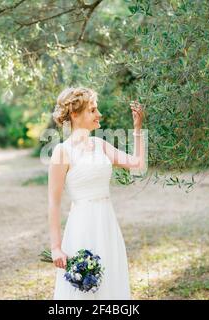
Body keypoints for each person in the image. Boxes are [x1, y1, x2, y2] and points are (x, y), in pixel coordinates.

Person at [48, 87, 145, 299]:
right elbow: (53, 203)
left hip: (107, 224)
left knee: (110, 285)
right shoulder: (62, 152)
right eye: (92, 110)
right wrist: (56, 247)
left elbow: (137, 164)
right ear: (75, 114)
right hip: (81, 227)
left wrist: (137, 128)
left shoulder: (101, 145)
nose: (99, 114)